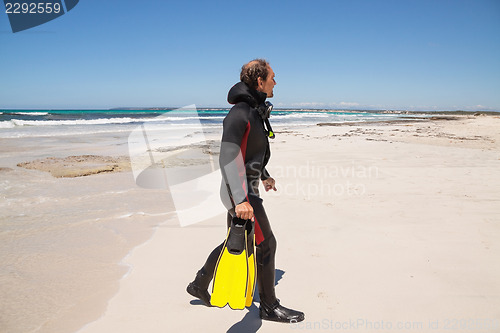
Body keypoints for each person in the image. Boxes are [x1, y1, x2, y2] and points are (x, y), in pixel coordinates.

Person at [187, 59, 305, 323]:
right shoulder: (240, 113)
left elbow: (249, 152)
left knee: (238, 241)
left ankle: (199, 284)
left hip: (245, 188)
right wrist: (240, 199)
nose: (276, 81)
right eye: (273, 77)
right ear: (259, 81)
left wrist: (263, 175)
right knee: (266, 244)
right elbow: (228, 156)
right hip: (238, 191)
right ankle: (269, 306)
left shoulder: (255, 111)